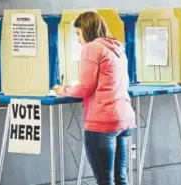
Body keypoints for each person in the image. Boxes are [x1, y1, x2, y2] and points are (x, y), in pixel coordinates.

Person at [54, 11, 136, 185]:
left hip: (103, 121)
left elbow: (85, 88)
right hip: (124, 118)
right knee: (120, 177)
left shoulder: (92, 48)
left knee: (104, 180)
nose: (77, 39)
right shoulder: (117, 48)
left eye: (78, 34)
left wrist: (62, 89)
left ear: (87, 30)